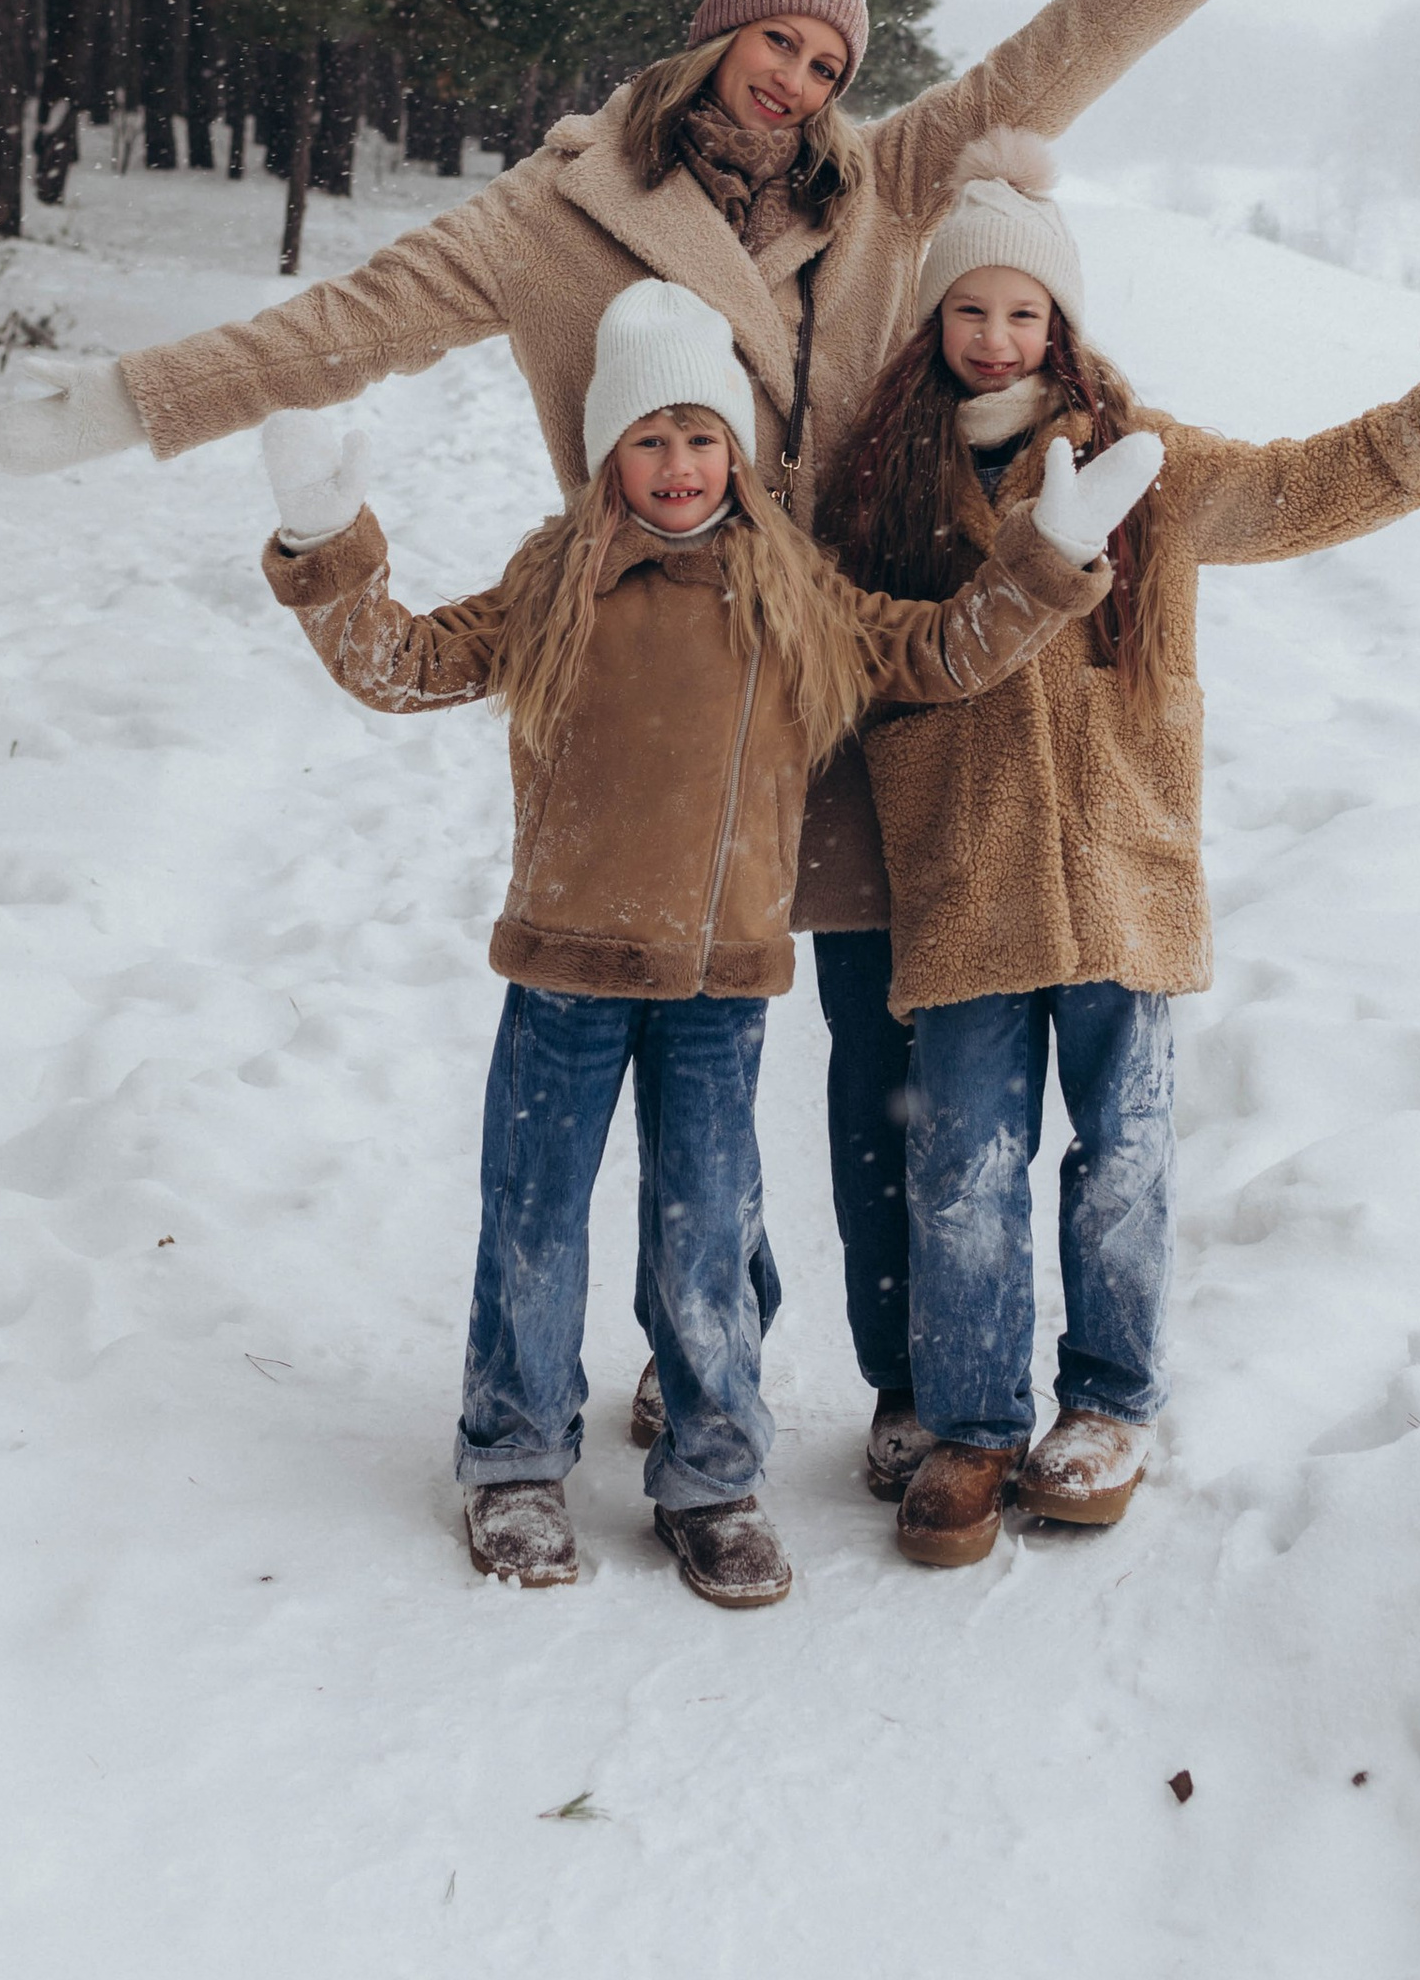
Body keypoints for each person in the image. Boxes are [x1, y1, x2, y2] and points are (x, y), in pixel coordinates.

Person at [0, 0, 1295, 1461]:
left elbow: (1040, 70)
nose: (800, 82)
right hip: (683, 680)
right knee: (706, 1029)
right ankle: (706, 1335)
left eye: (828, 65)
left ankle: (910, 1388)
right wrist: (140, 403)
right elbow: (351, 322)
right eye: (781, 44)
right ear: (718, 33)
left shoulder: (881, 183)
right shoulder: (559, 218)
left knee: (889, 1055)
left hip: (879, 657)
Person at [256, 277, 1162, 1608]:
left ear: (734, 450)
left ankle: (713, 1475)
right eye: (649, 440)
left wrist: (1038, 564)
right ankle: (512, 1459)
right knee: (535, 1222)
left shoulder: (793, 594)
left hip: (719, 987)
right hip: (565, 971)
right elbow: (405, 663)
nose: (678, 468)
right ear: (609, 453)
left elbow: (945, 652)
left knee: (704, 1233)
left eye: (701, 439)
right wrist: (327, 545)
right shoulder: (556, 582)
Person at [822, 150, 1420, 1566]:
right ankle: (971, 1424)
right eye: (968, 311)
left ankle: (1106, 1405)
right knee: (965, 1158)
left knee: (1125, 1155)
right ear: (931, 324)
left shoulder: (1139, 460)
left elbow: (1294, 492)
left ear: (1062, 324)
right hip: (965, 869)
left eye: (1022, 313)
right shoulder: (886, 484)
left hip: (1117, 863)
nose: (994, 339)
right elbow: (851, 644)